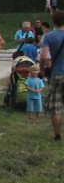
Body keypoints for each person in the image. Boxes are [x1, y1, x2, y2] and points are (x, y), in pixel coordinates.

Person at [39, 9, 64, 141]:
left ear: (53, 21)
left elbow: (44, 56)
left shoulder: (49, 36)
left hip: (56, 74)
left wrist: (42, 69)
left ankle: (58, 136)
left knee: (56, 106)